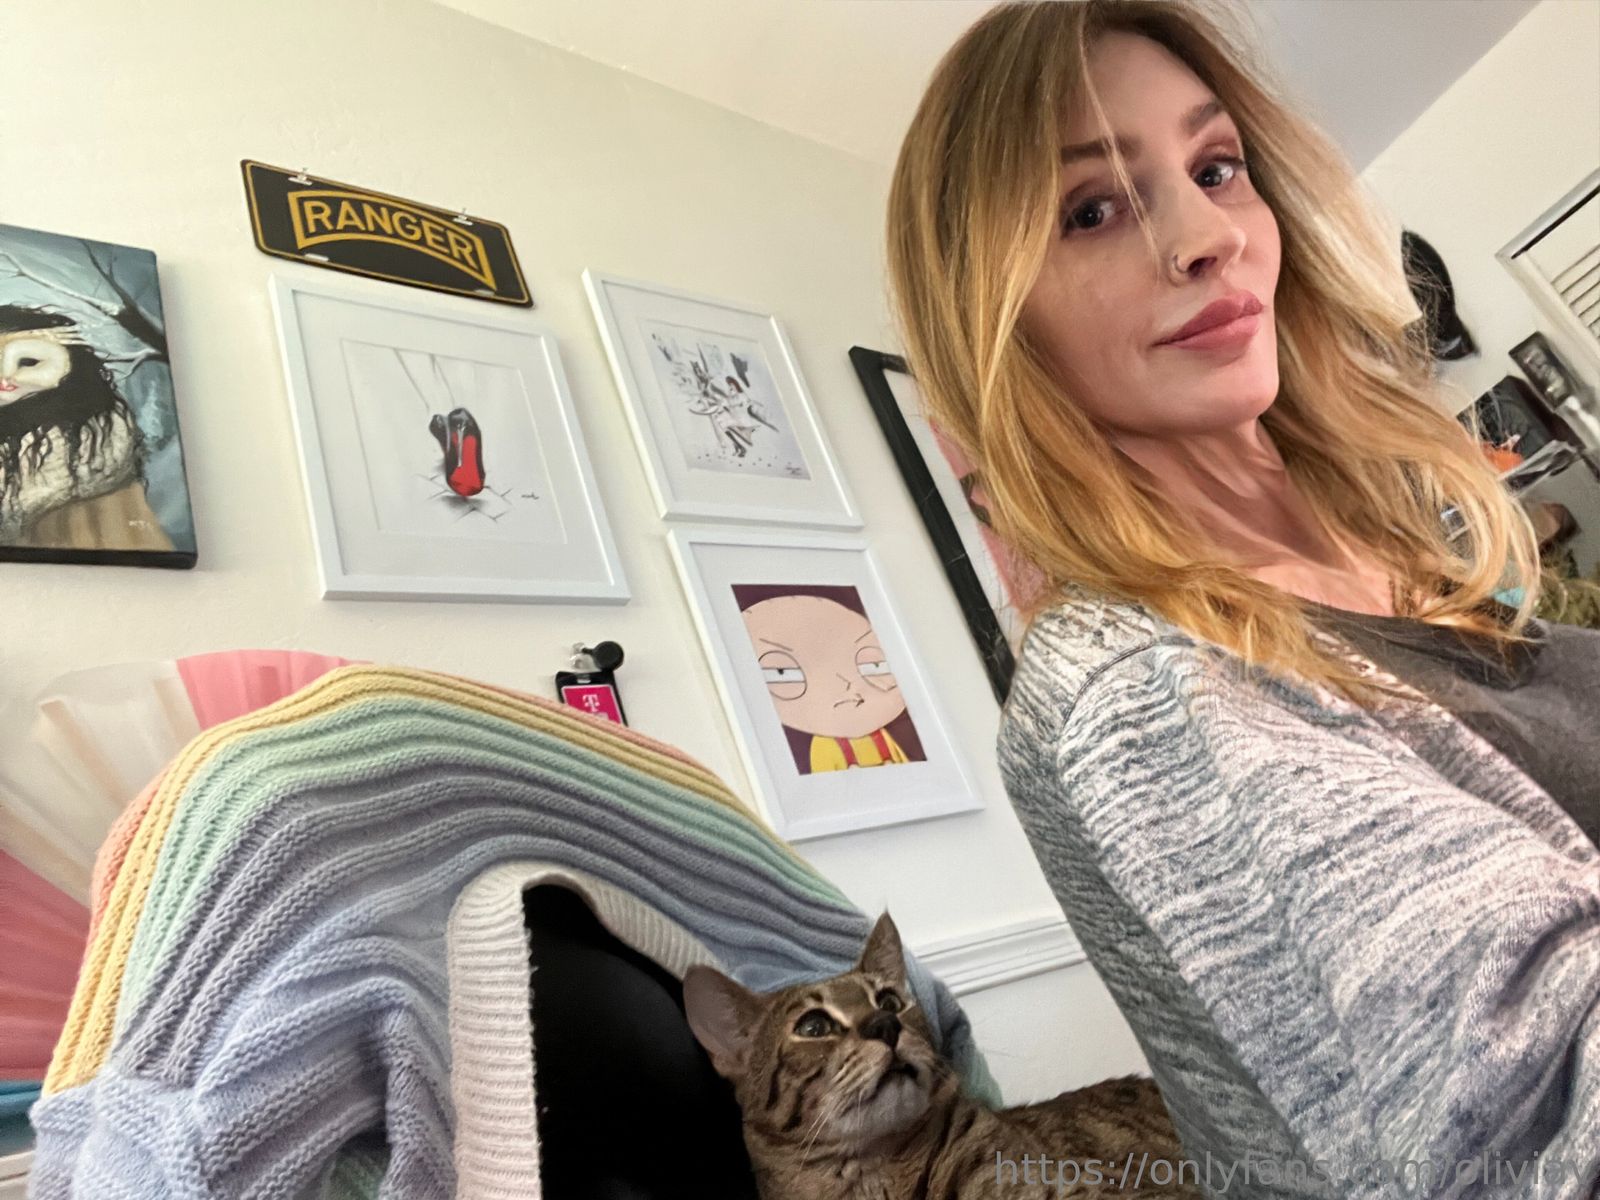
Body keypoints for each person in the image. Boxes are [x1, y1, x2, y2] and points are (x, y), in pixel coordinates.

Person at [884, 1, 1600, 1196]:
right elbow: (1541, 1117)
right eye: (1091, 209)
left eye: (1214, 168)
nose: (1207, 234)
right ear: (994, 318)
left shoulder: (1388, 538)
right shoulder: (1134, 688)